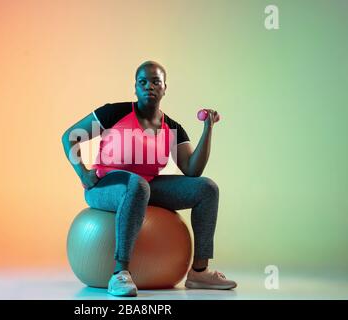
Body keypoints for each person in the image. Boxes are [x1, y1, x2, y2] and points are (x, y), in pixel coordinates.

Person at [61, 61, 237, 297]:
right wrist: (83, 172)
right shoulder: (114, 112)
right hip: (105, 185)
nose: (149, 86)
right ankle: (120, 274)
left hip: (144, 187)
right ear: (135, 87)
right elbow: (69, 137)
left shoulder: (172, 128)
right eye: (142, 82)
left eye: (156, 82)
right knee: (137, 184)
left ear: (165, 88)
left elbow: (192, 170)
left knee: (207, 188)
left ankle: (199, 272)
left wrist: (208, 129)